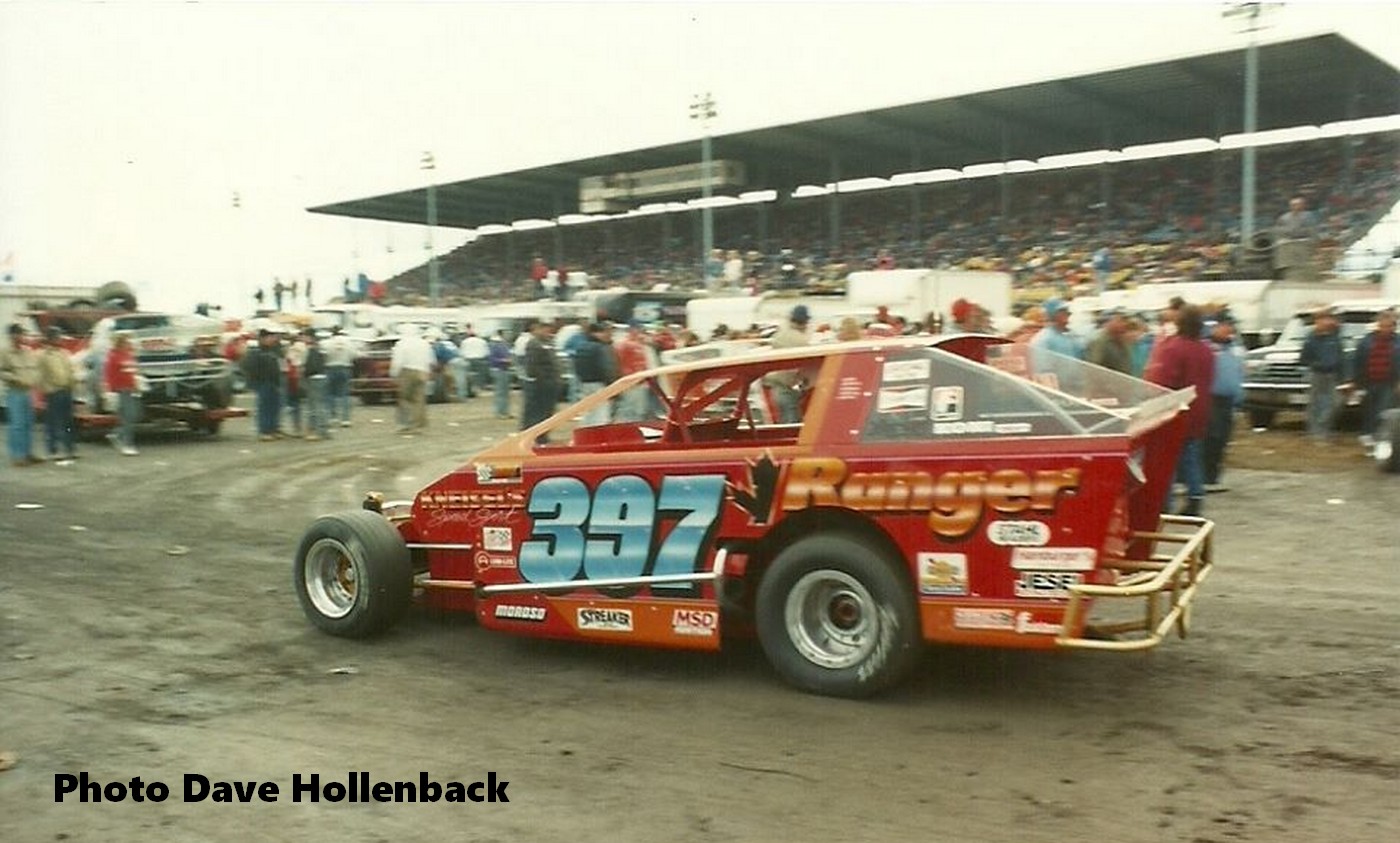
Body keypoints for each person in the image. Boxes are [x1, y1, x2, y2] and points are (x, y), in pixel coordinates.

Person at [1145, 304, 1215, 517]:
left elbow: (1161, 382)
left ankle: (1164, 502)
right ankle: (1195, 496)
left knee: (1166, 459)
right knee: (1190, 455)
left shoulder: (1172, 348)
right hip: (1200, 409)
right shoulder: (1206, 350)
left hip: (1174, 411)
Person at [1344, 308, 1400, 450]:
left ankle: (1382, 439)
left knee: (1384, 411)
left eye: (1389, 326)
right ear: (1378, 325)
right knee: (1369, 410)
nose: (1385, 329)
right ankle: (1367, 436)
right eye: (1382, 325)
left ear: (1394, 326)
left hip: (1389, 383)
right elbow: (1356, 361)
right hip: (1368, 382)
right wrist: (1352, 381)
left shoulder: (1398, 342)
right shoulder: (1366, 341)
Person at [1204, 317, 1245, 493]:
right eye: (1224, 326)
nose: (1228, 329)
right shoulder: (1207, 347)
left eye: (1230, 326)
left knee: (1223, 439)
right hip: (1212, 399)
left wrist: (1240, 398)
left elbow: (1240, 373)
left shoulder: (1236, 349)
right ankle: (1205, 476)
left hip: (1230, 401)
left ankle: (1214, 477)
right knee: (1211, 437)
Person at [1298, 308, 1344, 443]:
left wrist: (1344, 376)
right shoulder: (1311, 339)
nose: (1327, 322)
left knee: (1335, 403)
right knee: (1316, 404)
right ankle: (1316, 432)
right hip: (1317, 374)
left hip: (1333, 374)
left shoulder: (1335, 337)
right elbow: (1304, 359)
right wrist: (1317, 364)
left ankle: (1325, 428)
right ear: (1317, 321)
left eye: (1329, 319)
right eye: (1324, 319)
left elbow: (1341, 356)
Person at [1, 323, 41, 466]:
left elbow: (35, 369)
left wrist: (35, 379)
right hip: (15, 392)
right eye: (18, 334)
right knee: (17, 425)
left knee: (28, 424)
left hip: (28, 392)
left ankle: (27, 453)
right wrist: (16, 378)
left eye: (22, 334)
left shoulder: (28, 351)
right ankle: (17, 456)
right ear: (12, 336)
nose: (21, 336)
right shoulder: (5, 353)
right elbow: (2, 372)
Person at [765, 305, 811, 424]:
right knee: (792, 424)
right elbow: (804, 367)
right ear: (805, 322)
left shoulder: (779, 336)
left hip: (776, 386)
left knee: (782, 421)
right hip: (789, 387)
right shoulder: (802, 340)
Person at [37, 326, 78, 461]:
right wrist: (46, 388)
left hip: (67, 390)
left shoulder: (64, 353)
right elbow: (40, 375)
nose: (60, 339)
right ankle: (52, 450)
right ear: (51, 338)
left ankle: (69, 448)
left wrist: (72, 383)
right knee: (53, 422)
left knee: (68, 422)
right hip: (53, 392)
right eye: (58, 337)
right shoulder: (42, 355)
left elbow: (70, 370)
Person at [574, 323, 620, 426]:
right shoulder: (601, 348)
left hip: (585, 383)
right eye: (605, 332)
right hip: (600, 384)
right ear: (596, 333)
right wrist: (612, 385)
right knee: (601, 413)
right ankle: (599, 433)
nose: (609, 335)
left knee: (589, 412)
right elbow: (607, 367)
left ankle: (585, 431)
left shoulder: (581, 346)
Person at [520, 320, 561, 437]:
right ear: (537, 329)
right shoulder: (534, 344)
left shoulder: (549, 342)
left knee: (548, 411)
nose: (547, 332)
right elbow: (532, 366)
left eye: (549, 329)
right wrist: (542, 380)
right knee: (536, 411)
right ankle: (533, 435)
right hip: (540, 384)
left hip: (551, 382)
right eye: (544, 329)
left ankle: (543, 434)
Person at [389, 324, 433, 433]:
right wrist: (427, 371)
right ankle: (417, 425)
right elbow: (430, 359)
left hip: (407, 371)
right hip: (422, 371)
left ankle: (404, 424)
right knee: (419, 399)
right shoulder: (424, 343)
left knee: (405, 399)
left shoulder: (402, 343)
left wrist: (394, 373)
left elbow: (398, 360)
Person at [103, 333, 141, 456]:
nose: (129, 344)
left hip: (131, 389)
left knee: (133, 416)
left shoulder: (129, 355)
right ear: (120, 343)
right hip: (121, 390)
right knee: (128, 417)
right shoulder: (113, 356)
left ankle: (117, 434)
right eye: (126, 342)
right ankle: (127, 444)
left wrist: (136, 386)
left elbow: (132, 373)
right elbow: (109, 375)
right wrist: (110, 390)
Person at [243, 329, 284, 441]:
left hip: (275, 382)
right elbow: (249, 367)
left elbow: (281, 363)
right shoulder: (256, 351)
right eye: (269, 337)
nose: (272, 339)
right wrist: (257, 379)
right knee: (264, 407)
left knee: (275, 407)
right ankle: (264, 431)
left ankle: (274, 428)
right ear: (262, 339)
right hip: (263, 382)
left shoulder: (275, 350)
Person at [1274, 196, 1318, 282]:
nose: (1295, 206)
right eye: (1293, 205)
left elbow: (1312, 230)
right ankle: (1284, 269)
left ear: (1303, 205)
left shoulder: (1308, 216)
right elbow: (1279, 230)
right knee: (1281, 244)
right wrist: (1288, 233)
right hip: (1288, 240)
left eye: (1298, 204)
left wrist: (1314, 241)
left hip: (1304, 239)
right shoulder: (1284, 217)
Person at [321, 325, 356, 427]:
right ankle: (345, 419)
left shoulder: (326, 343)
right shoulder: (349, 342)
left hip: (330, 368)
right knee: (345, 394)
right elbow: (354, 355)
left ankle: (332, 417)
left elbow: (323, 355)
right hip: (345, 367)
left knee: (330, 393)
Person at [301, 330, 331, 441]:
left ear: (310, 337)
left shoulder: (310, 350)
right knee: (321, 405)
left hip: (313, 379)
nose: (302, 339)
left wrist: (304, 374)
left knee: (314, 406)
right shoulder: (320, 348)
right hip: (322, 377)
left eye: (304, 336)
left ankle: (317, 431)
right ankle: (323, 430)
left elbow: (311, 367)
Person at [1084, 309, 1132, 374]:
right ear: (1110, 322)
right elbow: (1093, 367)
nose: (1124, 324)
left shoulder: (1122, 341)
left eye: (1125, 321)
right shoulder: (1099, 341)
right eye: (1120, 321)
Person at [487, 332, 514, 419]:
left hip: (503, 369)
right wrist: (504, 360)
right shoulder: (496, 345)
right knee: (501, 393)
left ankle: (504, 411)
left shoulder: (502, 345)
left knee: (504, 393)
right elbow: (492, 359)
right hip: (499, 369)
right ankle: (500, 412)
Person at [459, 328, 489, 400]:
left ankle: (469, 390)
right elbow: (487, 352)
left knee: (468, 376)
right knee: (480, 376)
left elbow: (461, 352)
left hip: (467, 360)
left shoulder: (464, 342)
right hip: (479, 360)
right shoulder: (482, 341)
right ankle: (478, 389)